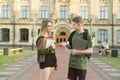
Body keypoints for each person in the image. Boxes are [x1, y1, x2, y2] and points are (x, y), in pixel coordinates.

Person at [60, 16, 93, 80]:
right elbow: (70, 48)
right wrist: (66, 45)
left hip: (81, 64)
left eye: (74, 24)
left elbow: (90, 50)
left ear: (79, 25)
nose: (72, 26)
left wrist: (78, 52)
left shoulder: (87, 36)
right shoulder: (72, 34)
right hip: (72, 64)